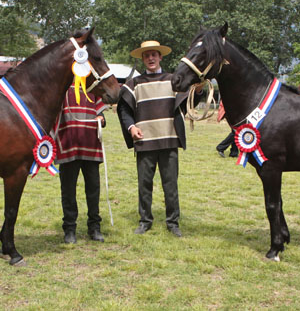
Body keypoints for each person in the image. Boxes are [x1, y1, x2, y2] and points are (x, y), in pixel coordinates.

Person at [117, 40, 201, 237]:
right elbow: (123, 109)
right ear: (143, 59)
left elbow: (188, 103)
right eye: (146, 56)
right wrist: (131, 127)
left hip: (169, 140)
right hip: (145, 141)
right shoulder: (134, 84)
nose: (151, 58)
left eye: (154, 54)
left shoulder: (174, 80)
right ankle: (145, 221)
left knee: (170, 185)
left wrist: (198, 91)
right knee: (144, 185)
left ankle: (173, 223)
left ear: (160, 56)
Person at [53, 84, 108, 244]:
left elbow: (100, 114)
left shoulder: (92, 86)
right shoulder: (61, 86)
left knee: (93, 189)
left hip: (90, 144)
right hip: (68, 143)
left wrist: (102, 119)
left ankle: (94, 227)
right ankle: (69, 228)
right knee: (68, 190)